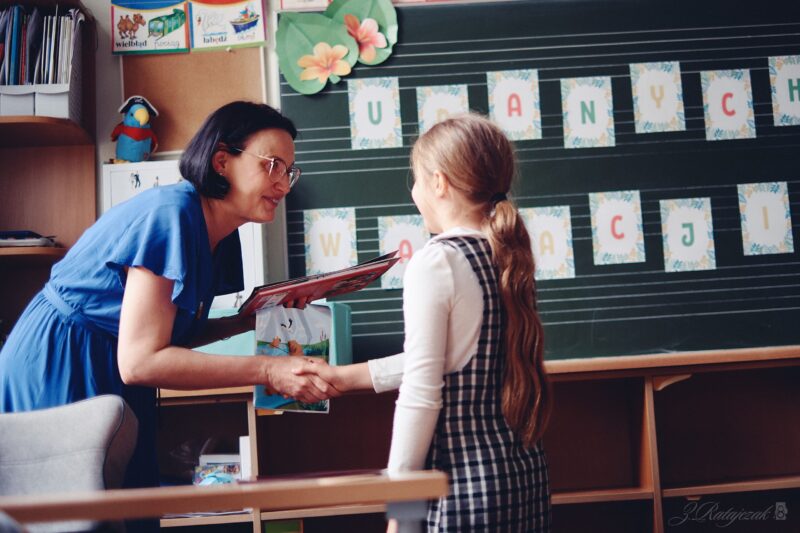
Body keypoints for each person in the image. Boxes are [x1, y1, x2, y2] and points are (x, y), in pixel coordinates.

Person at [0, 101, 338, 498]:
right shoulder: (170, 215)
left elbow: (171, 332)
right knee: (73, 513)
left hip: (111, 368)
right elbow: (141, 361)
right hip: (63, 363)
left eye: (289, 171)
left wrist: (245, 321)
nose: (283, 185)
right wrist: (268, 369)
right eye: (272, 165)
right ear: (222, 162)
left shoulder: (221, 234)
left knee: (128, 509)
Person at [304, 114, 553, 531]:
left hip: (464, 491)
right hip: (522, 479)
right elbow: (449, 358)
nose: (413, 192)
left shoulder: (438, 261)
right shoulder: (507, 254)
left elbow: (421, 393)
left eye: (416, 180)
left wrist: (401, 513)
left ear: (439, 183)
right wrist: (346, 377)